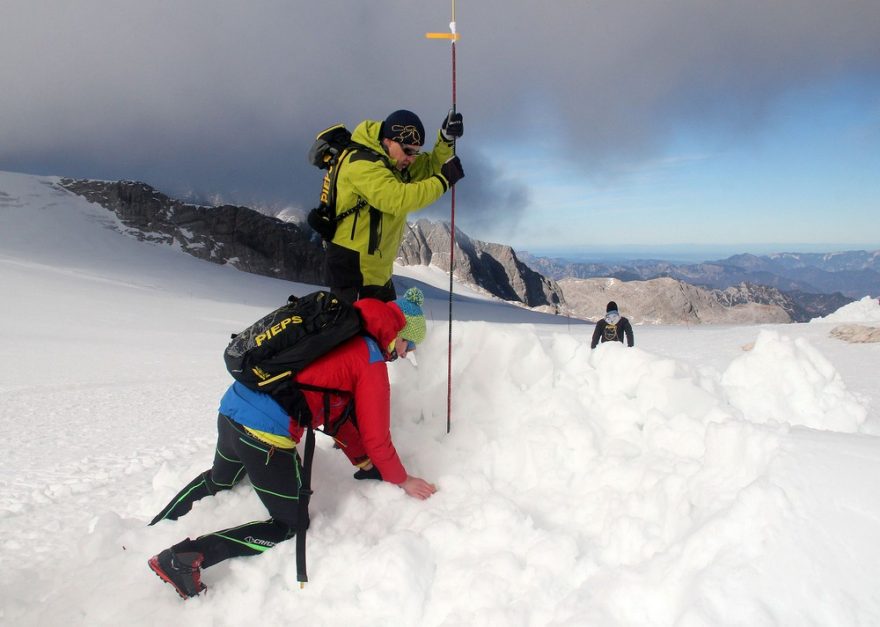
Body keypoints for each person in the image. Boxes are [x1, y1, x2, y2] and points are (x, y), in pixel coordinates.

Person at [147, 287, 436, 599]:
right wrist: (402, 479)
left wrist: (365, 463)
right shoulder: (370, 359)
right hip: (264, 437)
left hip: (232, 409)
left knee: (219, 479)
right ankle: (185, 558)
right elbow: (376, 437)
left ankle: (149, 532)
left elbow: (336, 415)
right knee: (289, 525)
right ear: (398, 331)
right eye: (409, 344)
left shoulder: (339, 330)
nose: (406, 353)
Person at [325, 108, 465, 304]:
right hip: (354, 272)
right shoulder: (360, 163)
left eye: (415, 152)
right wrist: (443, 181)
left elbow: (432, 165)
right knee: (357, 333)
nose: (411, 158)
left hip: (378, 273)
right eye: (408, 151)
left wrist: (446, 139)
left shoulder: (393, 163)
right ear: (388, 140)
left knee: (389, 331)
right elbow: (397, 199)